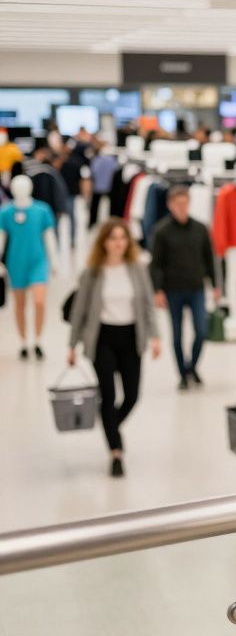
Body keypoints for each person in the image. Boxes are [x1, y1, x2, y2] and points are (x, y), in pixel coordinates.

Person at [66, 218, 162, 478]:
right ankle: (116, 452)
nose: (118, 243)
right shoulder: (93, 272)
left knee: (132, 396)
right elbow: (79, 311)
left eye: (122, 238)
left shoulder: (137, 269)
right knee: (107, 396)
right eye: (113, 238)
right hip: (103, 339)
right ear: (104, 242)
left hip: (132, 337)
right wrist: (72, 345)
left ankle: (110, 426)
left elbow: (147, 305)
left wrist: (155, 336)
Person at [148, 185, 220, 391]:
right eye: (177, 203)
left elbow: (209, 258)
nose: (181, 207)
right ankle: (182, 373)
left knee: (202, 331)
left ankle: (192, 367)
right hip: (173, 290)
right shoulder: (161, 231)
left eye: (184, 202)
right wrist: (157, 291)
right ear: (170, 205)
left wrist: (215, 285)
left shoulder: (200, 228)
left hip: (196, 288)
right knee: (177, 335)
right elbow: (156, 264)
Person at [0, 174, 57, 360]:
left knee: (39, 302)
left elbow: (49, 237)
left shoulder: (42, 210)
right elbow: (1, 238)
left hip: (37, 261)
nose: (20, 189)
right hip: (16, 261)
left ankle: (38, 340)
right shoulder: (6, 212)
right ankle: (24, 342)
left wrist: (54, 261)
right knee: (20, 304)